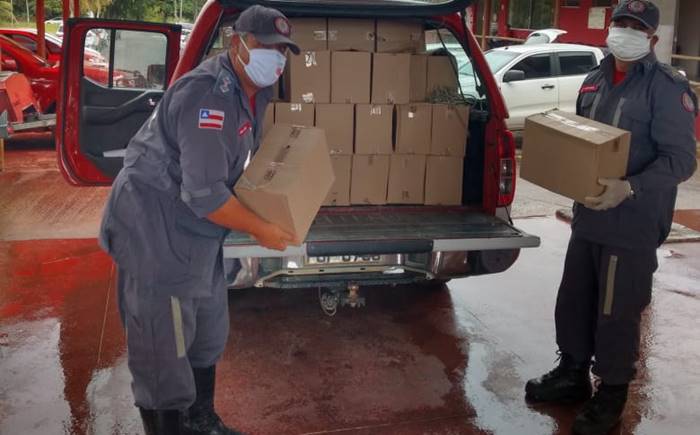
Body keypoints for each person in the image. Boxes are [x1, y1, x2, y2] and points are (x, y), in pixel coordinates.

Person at [98, 5, 299, 435]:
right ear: (237, 45)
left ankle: (201, 421)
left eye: (282, 51)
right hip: (157, 228)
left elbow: (233, 166)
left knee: (207, 332)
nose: (276, 59)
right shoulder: (208, 96)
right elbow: (204, 193)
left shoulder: (254, 92)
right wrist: (261, 227)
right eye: (266, 48)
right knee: (163, 348)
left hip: (200, 231)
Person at [524, 1, 697, 435]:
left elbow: (681, 160)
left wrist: (631, 185)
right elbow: (586, 142)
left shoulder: (666, 87)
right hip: (590, 215)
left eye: (635, 27)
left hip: (633, 222)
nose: (624, 32)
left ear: (653, 39)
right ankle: (572, 374)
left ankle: (612, 391)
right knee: (576, 298)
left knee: (616, 310)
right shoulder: (594, 80)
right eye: (620, 23)